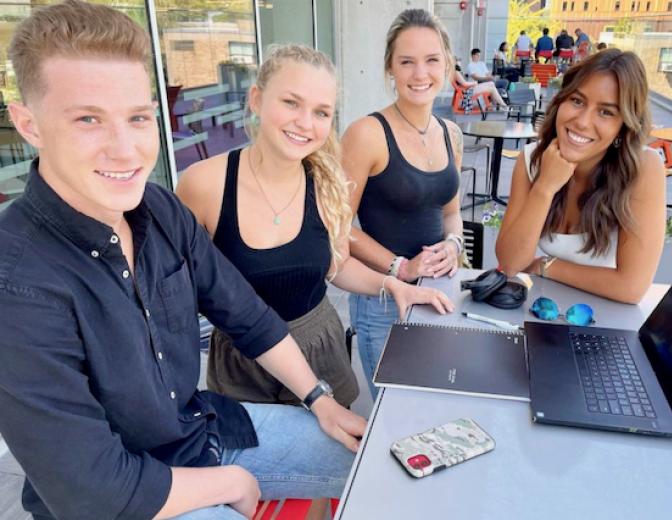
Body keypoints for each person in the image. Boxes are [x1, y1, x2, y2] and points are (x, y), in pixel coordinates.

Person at [0, 2, 366, 519]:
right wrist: (228, 482)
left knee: (377, 460)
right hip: (128, 496)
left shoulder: (160, 209)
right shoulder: (16, 282)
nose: (126, 150)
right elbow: (93, 491)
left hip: (200, 432)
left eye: (138, 118)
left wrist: (320, 400)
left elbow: (247, 315)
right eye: (88, 119)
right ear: (29, 124)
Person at [176, 44, 452, 409]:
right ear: (256, 99)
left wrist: (390, 284)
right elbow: (176, 290)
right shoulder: (203, 185)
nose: (305, 123)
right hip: (243, 365)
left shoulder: (324, 182)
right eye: (291, 103)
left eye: (321, 112)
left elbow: (336, 265)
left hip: (318, 349)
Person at [341, 9, 464, 399]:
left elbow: (451, 212)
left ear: (446, 64)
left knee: (432, 404)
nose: (419, 73)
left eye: (431, 60)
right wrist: (401, 266)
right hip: (383, 297)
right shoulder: (366, 134)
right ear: (390, 69)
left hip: (438, 291)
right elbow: (336, 228)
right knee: (393, 416)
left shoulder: (451, 134)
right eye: (406, 62)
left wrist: (454, 245)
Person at [496, 50, 666, 305]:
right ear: (561, 102)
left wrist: (546, 265)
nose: (583, 122)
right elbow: (510, 262)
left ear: (625, 125)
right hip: (544, 309)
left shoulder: (643, 169)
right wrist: (545, 187)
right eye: (577, 101)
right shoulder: (532, 158)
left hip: (605, 319)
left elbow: (631, 287)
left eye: (606, 112)